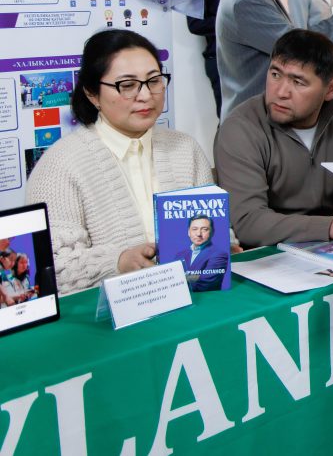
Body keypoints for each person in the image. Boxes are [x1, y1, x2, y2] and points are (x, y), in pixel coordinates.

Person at [26, 30, 216, 294]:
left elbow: (213, 226)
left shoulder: (186, 149)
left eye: (154, 80)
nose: (146, 95)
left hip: (193, 299)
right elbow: (52, 267)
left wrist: (220, 247)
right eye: (127, 85)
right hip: (103, 314)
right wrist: (117, 262)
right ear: (92, 93)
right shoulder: (59, 166)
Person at [215, 29, 333, 247]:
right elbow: (248, 223)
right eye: (275, 74)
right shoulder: (240, 128)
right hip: (265, 253)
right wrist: (331, 226)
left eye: (298, 82)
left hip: (329, 247)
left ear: (331, 89)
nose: (281, 92)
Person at [173, 214, 228, 292]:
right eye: (194, 229)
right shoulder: (180, 255)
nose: (199, 234)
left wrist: (178, 279)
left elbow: (206, 283)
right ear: (189, 232)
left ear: (212, 232)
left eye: (204, 229)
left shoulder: (219, 254)